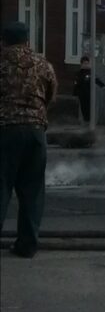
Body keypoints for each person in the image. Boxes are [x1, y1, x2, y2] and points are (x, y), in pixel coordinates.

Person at [1, 21, 57, 258]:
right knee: (32, 191)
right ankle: (27, 244)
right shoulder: (42, 63)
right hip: (35, 132)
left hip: (4, 131)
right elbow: (51, 95)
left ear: (3, 41)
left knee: (1, 187)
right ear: (27, 41)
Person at [73, 55, 105, 123]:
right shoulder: (79, 73)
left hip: (89, 94)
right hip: (82, 94)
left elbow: (96, 79)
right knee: (83, 108)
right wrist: (75, 94)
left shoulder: (91, 72)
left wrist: (102, 85)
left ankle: (89, 120)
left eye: (87, 63)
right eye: (84, 63)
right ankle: (86, 120)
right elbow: (76, 84)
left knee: (89, 107)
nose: (86, 65)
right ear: (81, 64)